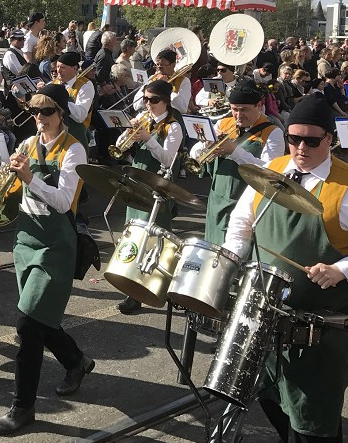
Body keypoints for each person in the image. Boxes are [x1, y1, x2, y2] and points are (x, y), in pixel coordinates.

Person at [224, 95, 348, 443]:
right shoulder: (271, 169)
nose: (301, 148)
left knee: (314, 415)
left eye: (311, 141)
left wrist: (340, 270)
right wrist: (232, 262)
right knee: (271, 395)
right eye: (294, 138)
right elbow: (240, 225)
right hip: (268, 316)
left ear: (330, 140)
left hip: (321, 327)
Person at [0, 84, 93, 435]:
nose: (39, 118)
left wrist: (29, 178)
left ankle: (23, 407)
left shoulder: (74, 150)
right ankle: (76, 361)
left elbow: (65, 201)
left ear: (61, 114)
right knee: (40, 320)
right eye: (35, 112)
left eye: (46, 112)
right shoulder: (26, 143)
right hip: (26, 238)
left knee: (27, 325)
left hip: (55, 242)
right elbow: (13, 188)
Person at [117, 78, 184, 314]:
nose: (148, 104)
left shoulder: (173, 126)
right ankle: (131, 288)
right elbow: (120, 147)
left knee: (154, 242)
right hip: (137, 184)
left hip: (157, 187)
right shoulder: (145, 120)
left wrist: (148, 139)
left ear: (166, 101)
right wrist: (128, 133)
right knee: (134, 237)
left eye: (154, 100)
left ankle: (149, 289)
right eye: (145, 99)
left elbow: (169, 159)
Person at [193, 79, 284, 245]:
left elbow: (271, 172)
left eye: (244, 110)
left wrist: (235, 152)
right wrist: (205, 144)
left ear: (259, 105)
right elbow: (195, 153)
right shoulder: (223, 123)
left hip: (244, 203)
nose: (238, 115)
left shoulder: (273, 132)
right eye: (234, 109)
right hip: (216, 200)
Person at [54, 50, 94, 148]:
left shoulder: (85, 85)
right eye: (58, 67)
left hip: (76, 136)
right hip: (56, 136)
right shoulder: (54, 84)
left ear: (74, 68)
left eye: (62, 67)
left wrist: (59, 98)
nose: (58, 71)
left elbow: (80, 116)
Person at [145, 48, 192, 114]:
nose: (158, 69)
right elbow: (137, 105)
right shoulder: (153, 78)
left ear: (173, 65)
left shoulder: (184, 81)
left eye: (162, 66)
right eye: (157, 65)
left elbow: (182, 108)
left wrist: (166, 87)